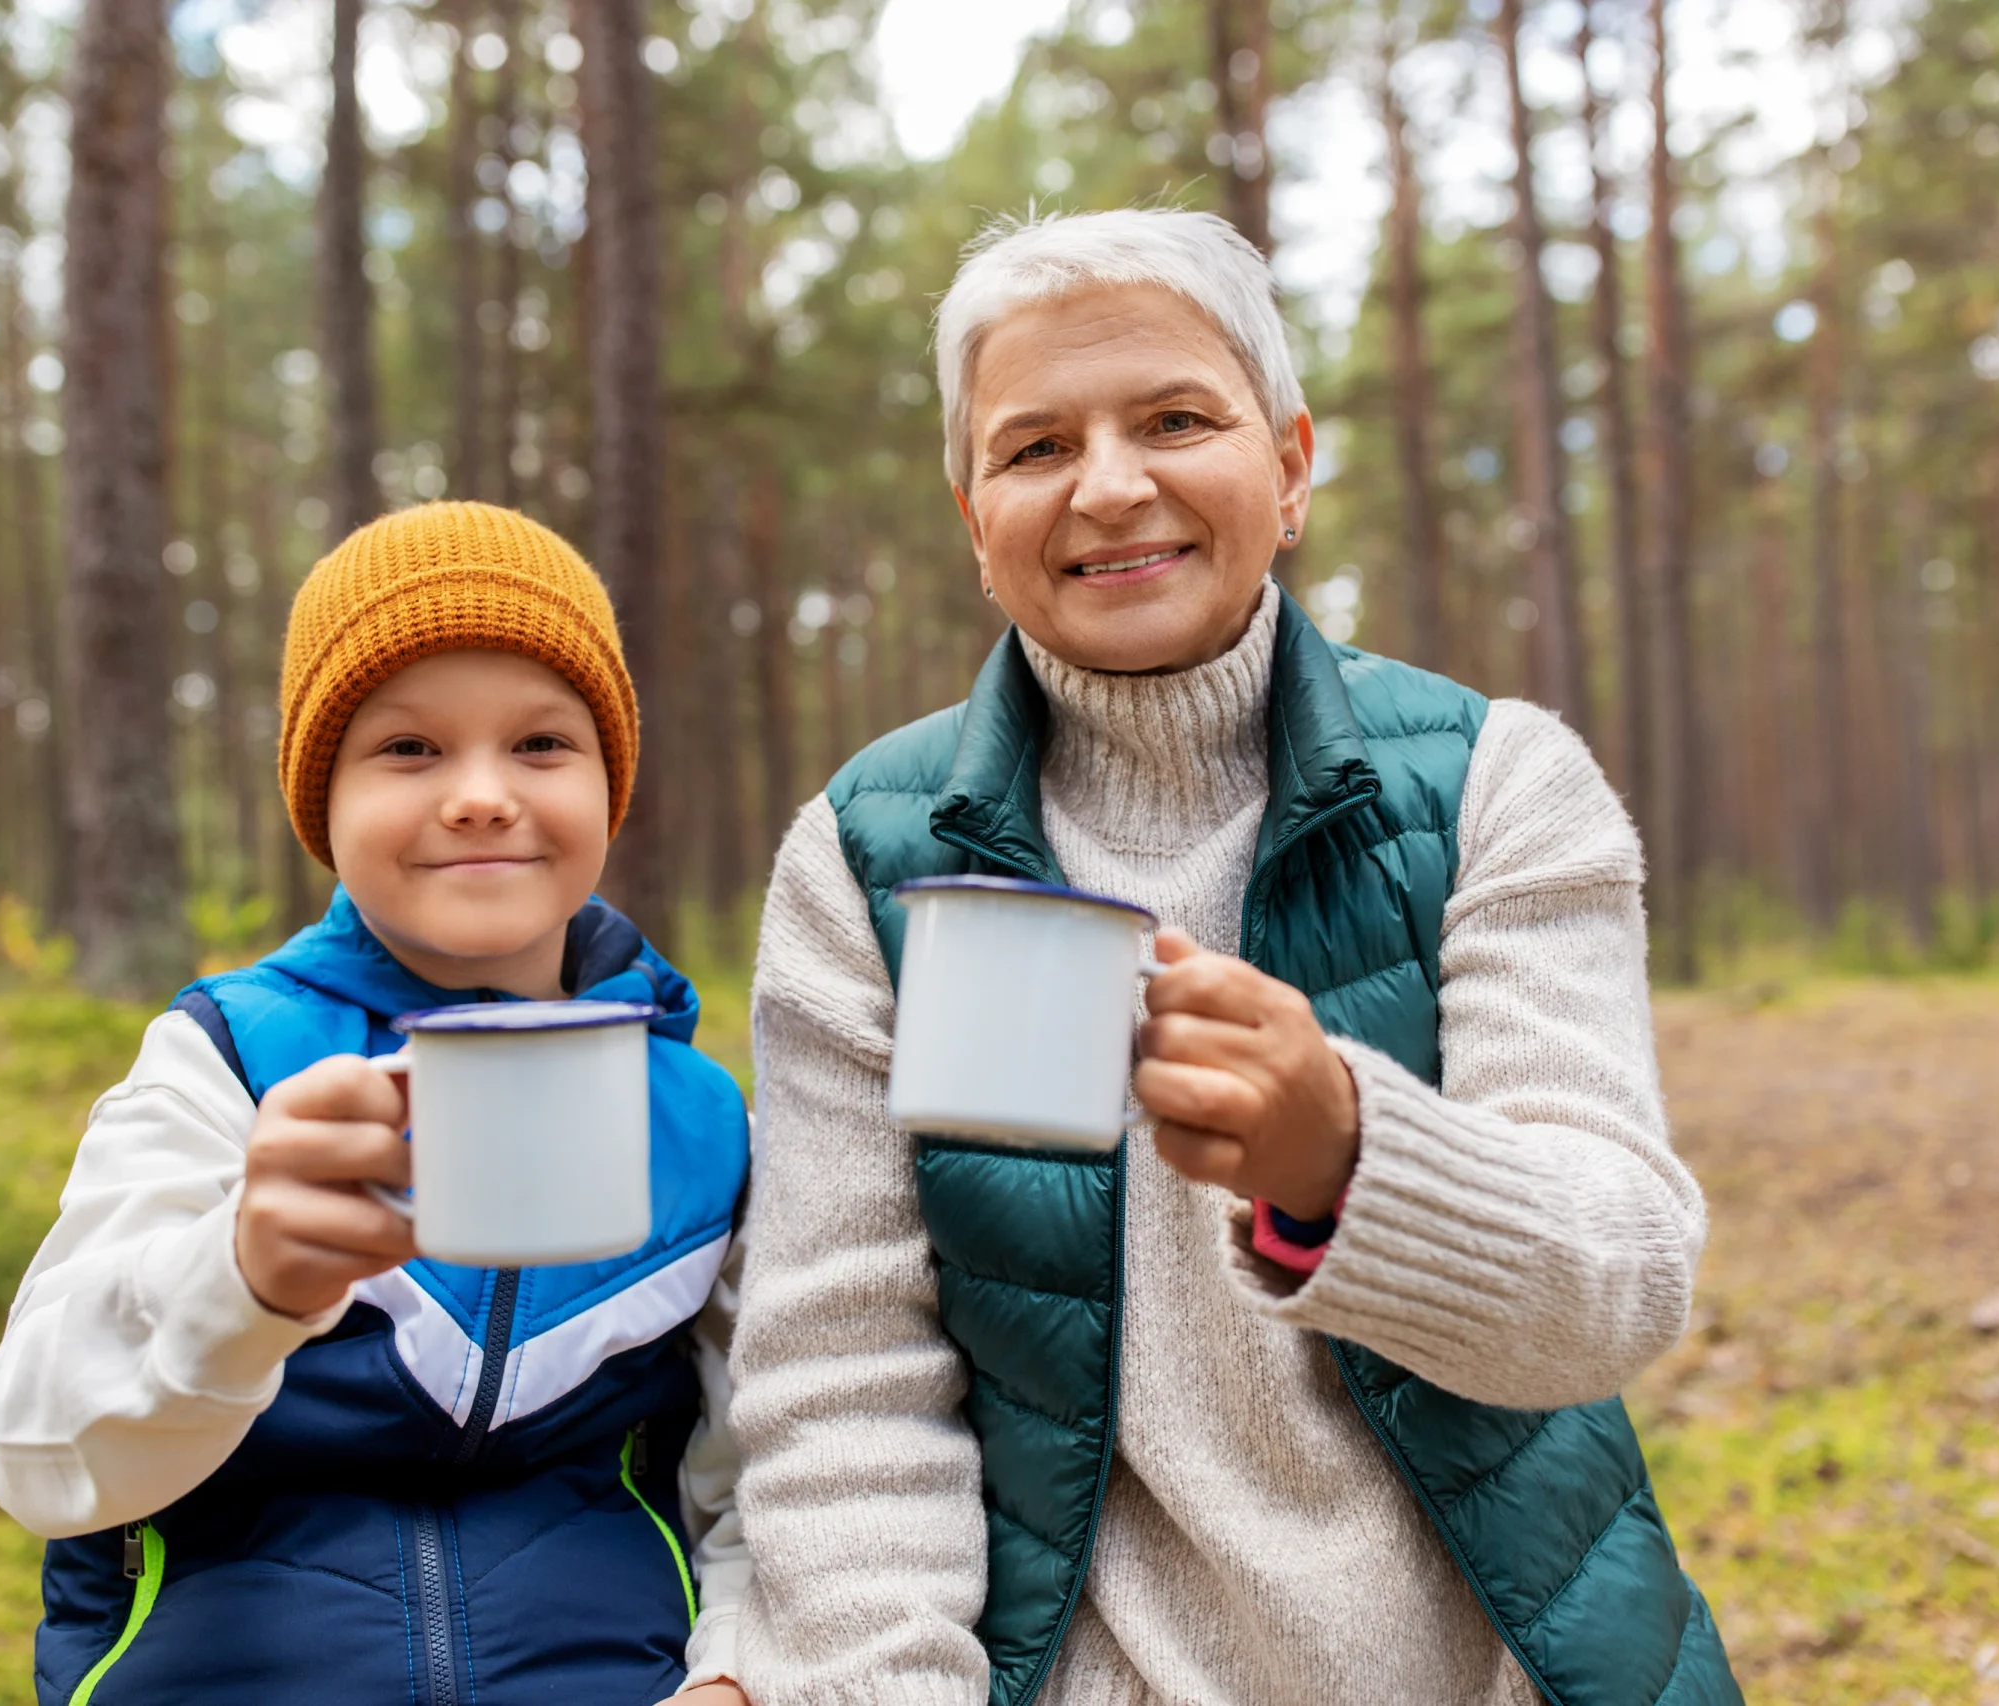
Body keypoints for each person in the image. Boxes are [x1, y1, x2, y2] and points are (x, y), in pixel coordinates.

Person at [729, 209, 1742, 1705]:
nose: (1112, 485)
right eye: (1035, 448)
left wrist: (1342, 1152)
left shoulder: (1495, 787)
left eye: (1175, 419)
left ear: (1289, 463)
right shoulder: (868, 856)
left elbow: (1618, 1282)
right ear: (973, 520)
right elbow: (842, 1371)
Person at [0, 503, 752, 1706]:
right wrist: (237, 1281)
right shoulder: (225, 1062)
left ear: (613, 783)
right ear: (318, 799)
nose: (482, 795)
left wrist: (738, 1671)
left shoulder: (703, 1124)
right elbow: (35, 1448)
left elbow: (768, 1470)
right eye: (409, 749)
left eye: (543, 743)